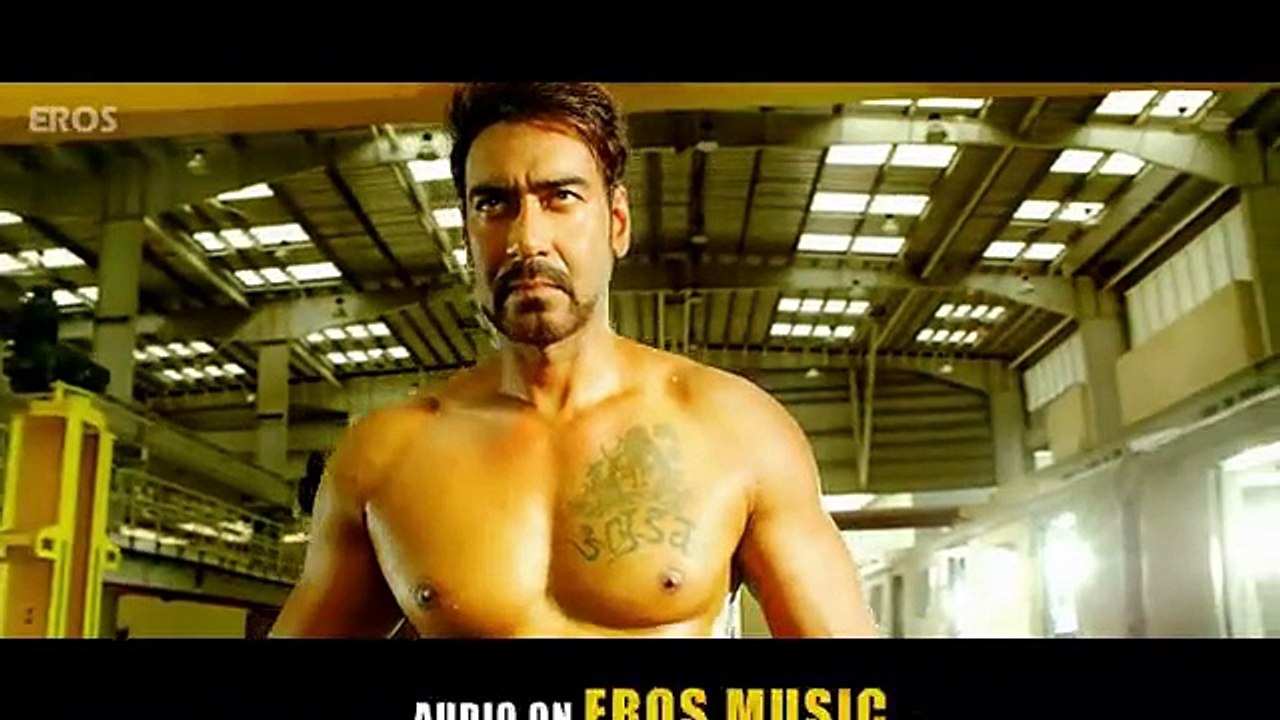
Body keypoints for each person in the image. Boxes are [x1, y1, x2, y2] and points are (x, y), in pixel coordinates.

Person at [270, 83, 879, 638]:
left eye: (560, 197)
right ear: (466, 235)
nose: (526, 240)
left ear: (617, 222)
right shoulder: (384, 458)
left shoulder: (736, 430)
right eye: (493, 204)